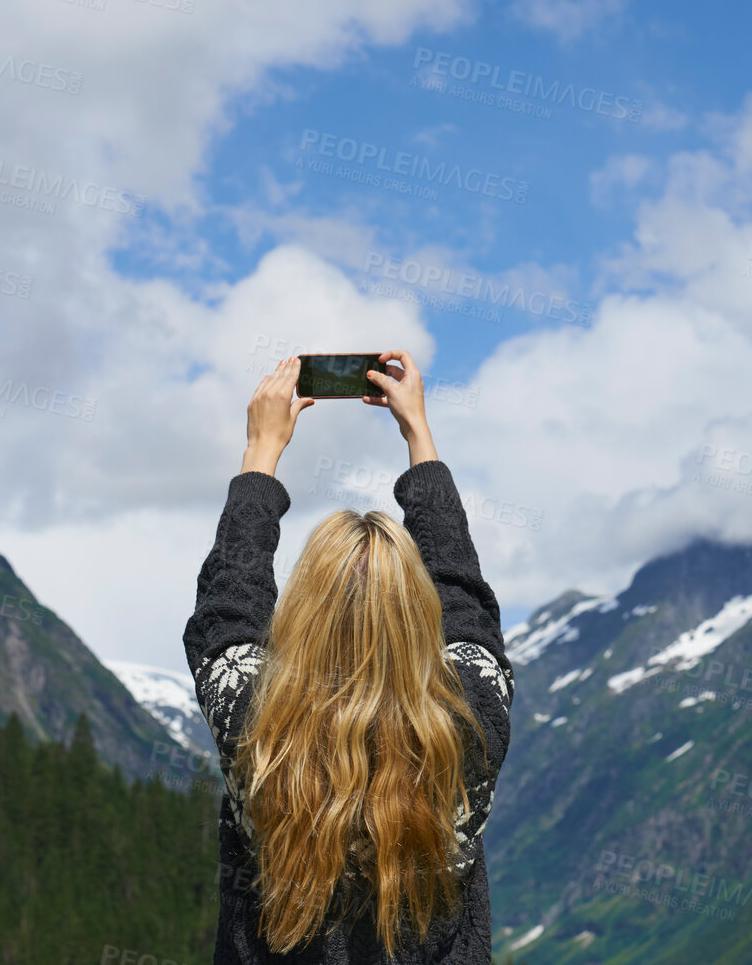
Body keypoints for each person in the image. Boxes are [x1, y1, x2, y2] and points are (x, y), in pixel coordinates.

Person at [184, 350, 516, 964]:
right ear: (418, 619)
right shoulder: (470, 723)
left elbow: (226, 608)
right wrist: (418, 432)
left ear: (301, 618)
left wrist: (262, 453)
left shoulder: (255, 730)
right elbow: (465, 596)